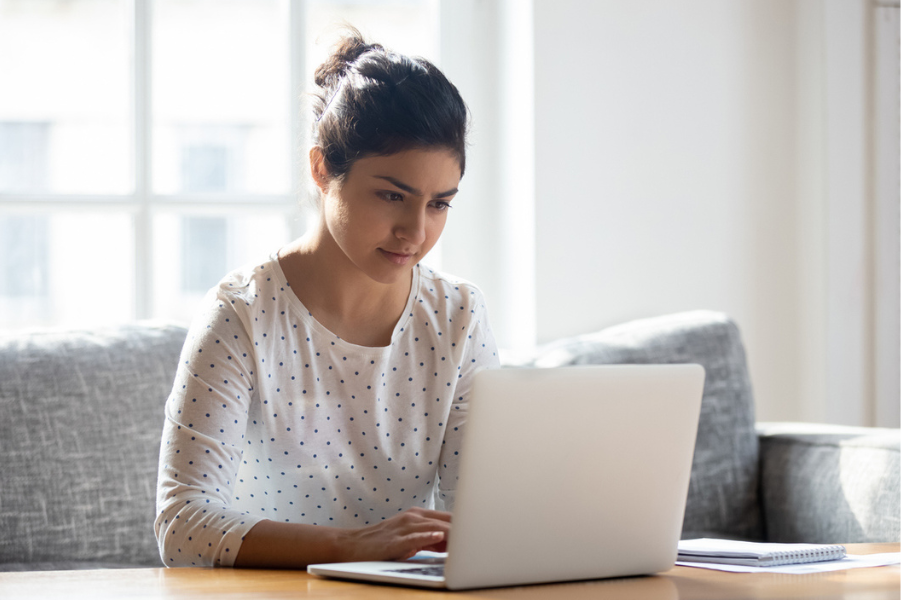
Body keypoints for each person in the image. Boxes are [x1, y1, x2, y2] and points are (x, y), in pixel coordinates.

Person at [154, 29, 499, 569]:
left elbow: (482, 521)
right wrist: (351, 546)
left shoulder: (459, 316)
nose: (415, 231)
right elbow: (183, 526)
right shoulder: (242, 313)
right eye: (392, 195)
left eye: (439, 204)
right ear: (322, 170)